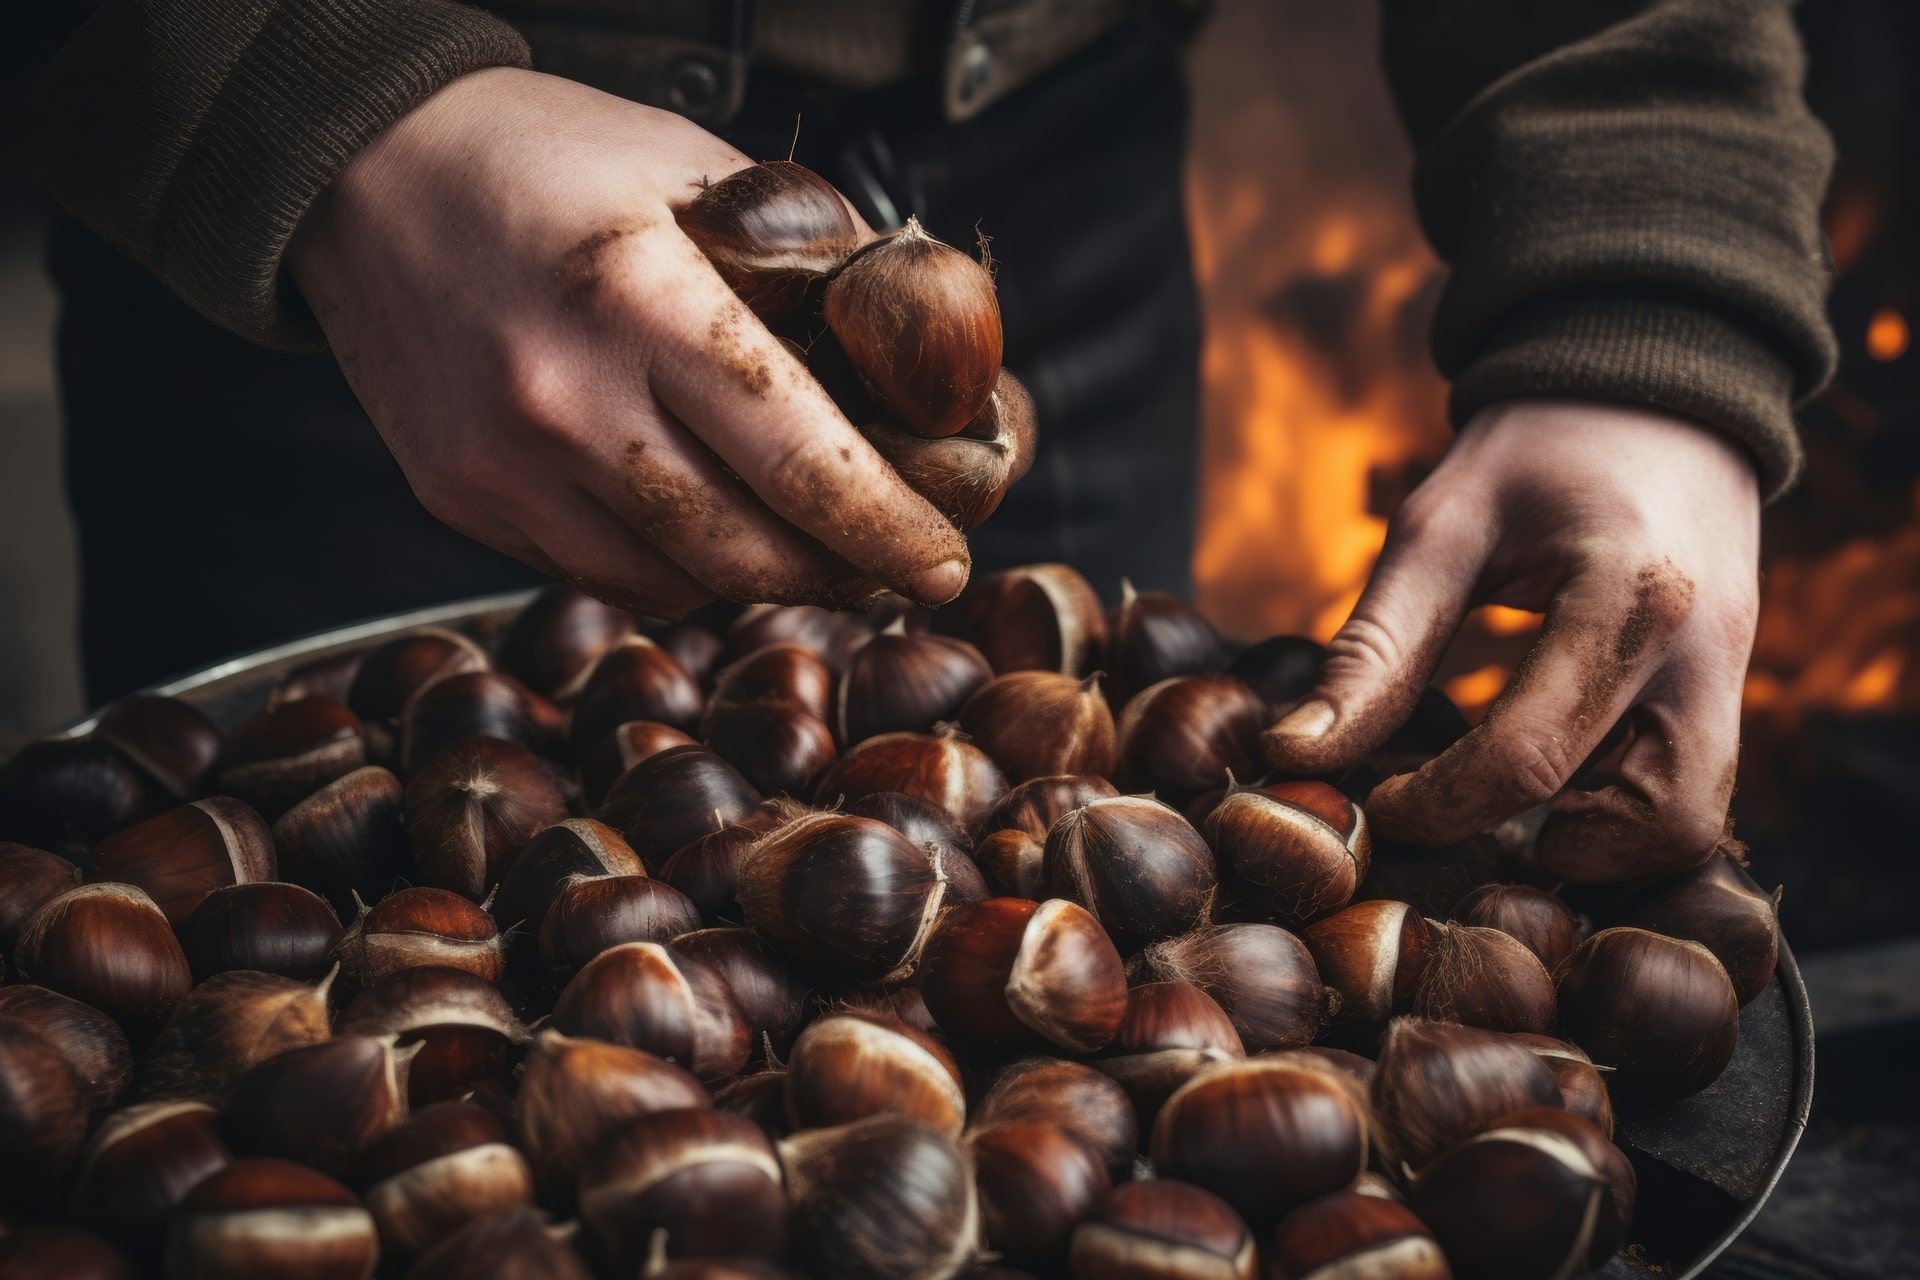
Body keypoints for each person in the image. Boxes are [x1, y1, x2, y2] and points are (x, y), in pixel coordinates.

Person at [13, 1, 1834, 870]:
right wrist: (301, 98)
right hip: (368, 265)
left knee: (1072, 861)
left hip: (1050, 204)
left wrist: (1643, 299)